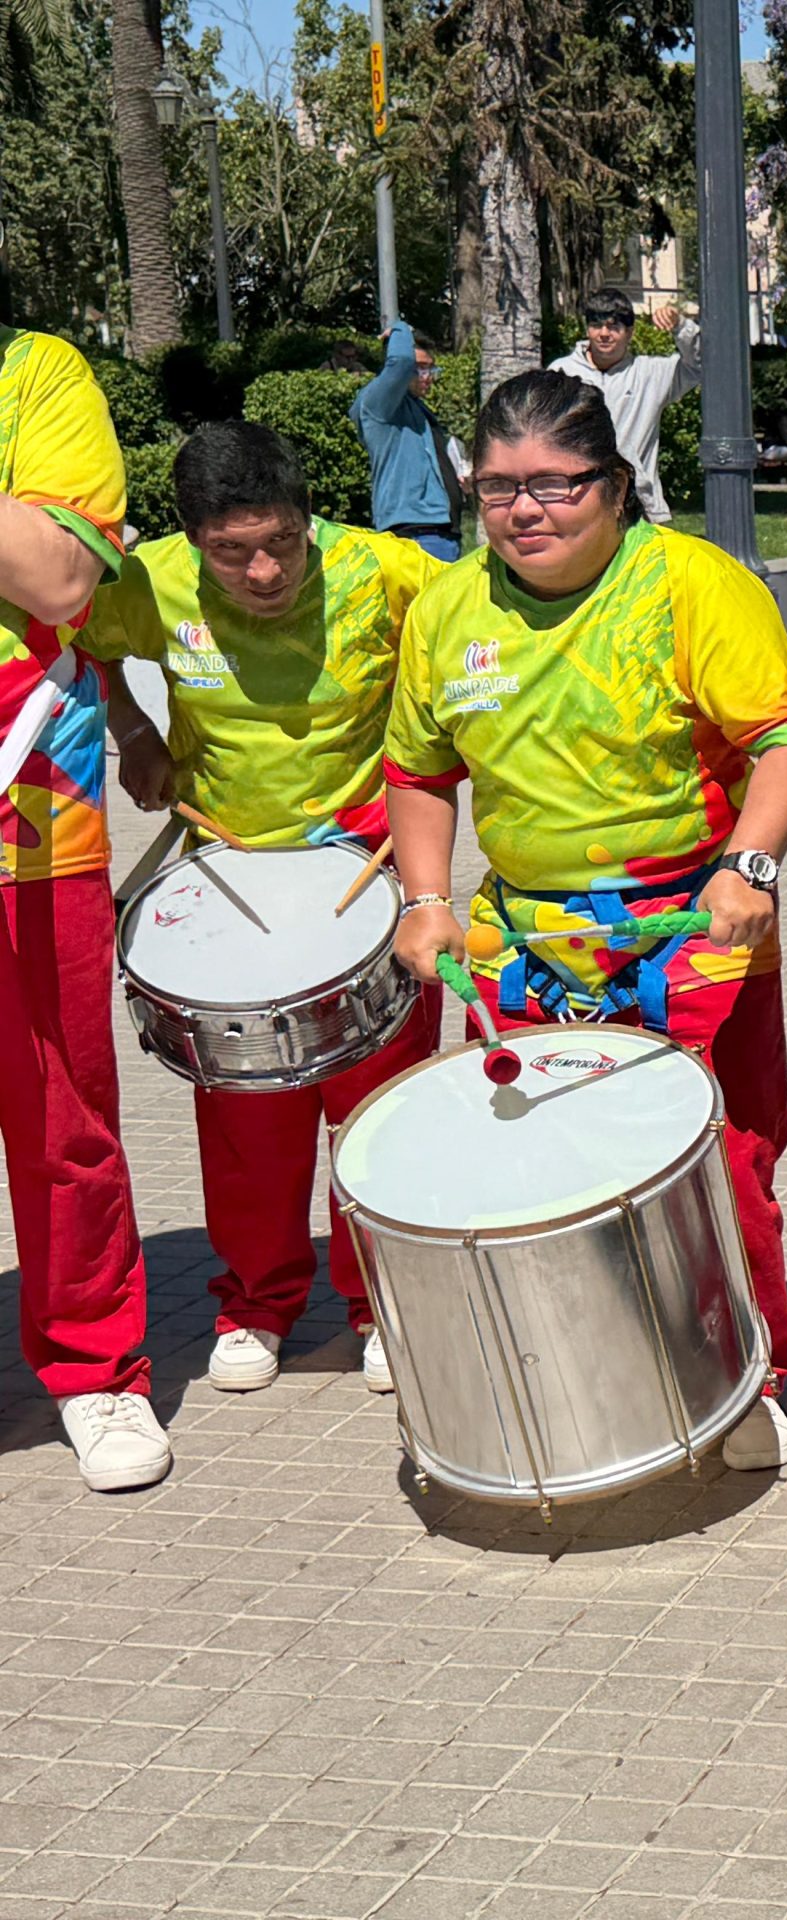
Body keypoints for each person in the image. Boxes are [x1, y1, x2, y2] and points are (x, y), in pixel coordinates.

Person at [382, 371, 787, 1471]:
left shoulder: (690, 586)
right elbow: (419, 769)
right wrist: (426, 898)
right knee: (552, 1167)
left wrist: (750, 865)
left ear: (617, 488)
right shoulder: (446, 611)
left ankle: (747, 1373)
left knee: (718, 1161)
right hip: (526, 941)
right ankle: (586, 1373)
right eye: (496, 489)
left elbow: (785, 740)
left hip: (689, 931)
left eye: (554, 486)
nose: (524, 511)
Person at [86, 421, 443, 1396]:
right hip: (234, 891)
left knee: (380, 1119)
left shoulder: (387, 572)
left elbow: (475, 642)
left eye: (281, 541)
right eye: (231, 551)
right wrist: (134, 732)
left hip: (370, 884)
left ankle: (383, 1305)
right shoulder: (150, 582)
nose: (261, 570)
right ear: (192, 539)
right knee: (248, 1126)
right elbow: (87, 640)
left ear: (308, 520)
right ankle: (256, 1302)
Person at [0, 322, 165, 1491]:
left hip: (33, 830)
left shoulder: (37, 371)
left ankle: (95, 1369)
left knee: (61, 1120)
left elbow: (59, 576)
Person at [549, 290, 701, 524]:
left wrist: (680, 325)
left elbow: (701, 365)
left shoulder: (650, 373)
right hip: (574, 503)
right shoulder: (561, 373)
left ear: (629, 332)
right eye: (596, 325)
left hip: (639, 507)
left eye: (613, 327)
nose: (604, 334)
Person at [349, 321, 462, 561]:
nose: (427, 377)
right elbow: (400, 362)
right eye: (419, 368)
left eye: (431, 369)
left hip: (442, 533)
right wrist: (401, 329)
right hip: (414, 535)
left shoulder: (418, 412)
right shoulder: (379, 405)